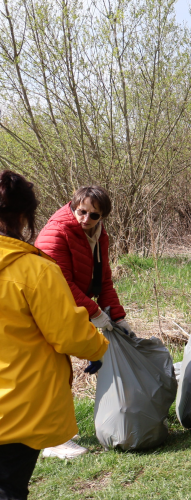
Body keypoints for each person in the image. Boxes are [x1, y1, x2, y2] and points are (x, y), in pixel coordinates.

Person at [0, 170, 109, 500]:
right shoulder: (34, 270)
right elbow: (68, 334)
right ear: (25, 216)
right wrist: (98, 345)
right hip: (17, 409)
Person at [34, 185, 132, 459]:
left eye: (94, 215)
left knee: (59, 370)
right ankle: (51, 440)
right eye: (82, 211)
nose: (86, 219)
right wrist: (95, 312)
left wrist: (118, 316)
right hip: (47, 307)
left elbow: (104, 281)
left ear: (103, 217)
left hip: (69, 307)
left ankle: (57, 431)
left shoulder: (99, 236)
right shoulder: (57, 232)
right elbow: (60, 282)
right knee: (50, 370)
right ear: (73, 206)